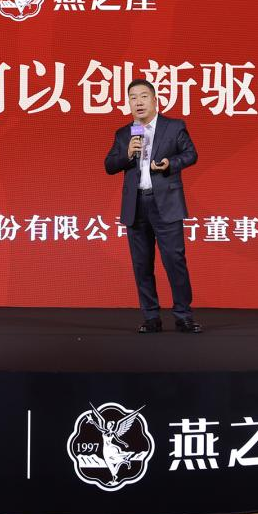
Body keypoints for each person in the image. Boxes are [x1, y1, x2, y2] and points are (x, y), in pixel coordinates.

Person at [104, 79, 201, 334]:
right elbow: (109, 165)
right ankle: (151, 317)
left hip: (166, 204)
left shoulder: (174, 126)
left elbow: (191, 154)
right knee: (142, 264)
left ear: (155, 100)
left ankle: (183, 316)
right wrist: (127, 153)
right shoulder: (124, 134)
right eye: (133, 98)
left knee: (174, 261)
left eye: (143, 96)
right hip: (136, 205)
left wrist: (170, 164)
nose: (138, 102)